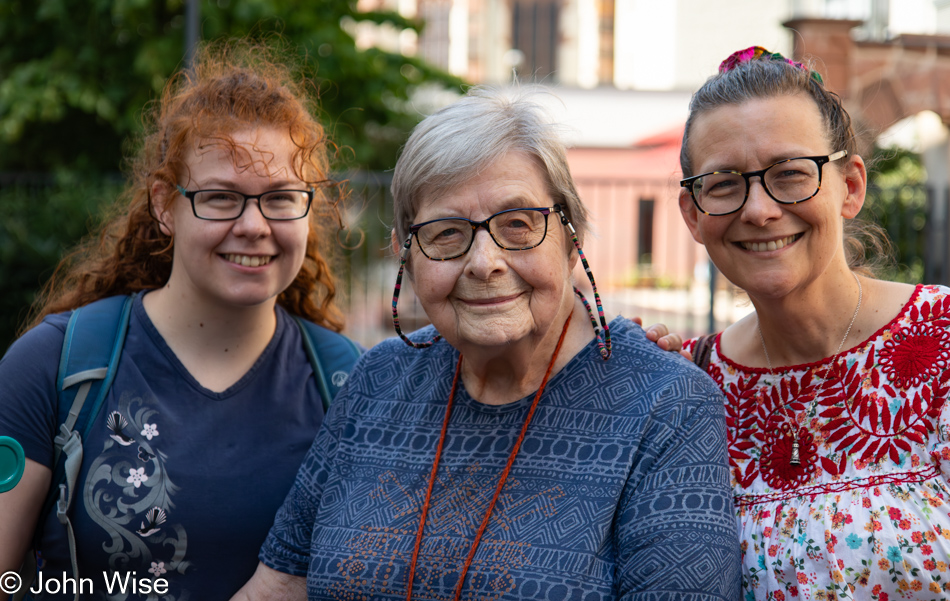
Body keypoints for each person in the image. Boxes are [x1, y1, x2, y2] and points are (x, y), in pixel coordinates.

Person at [232, 86, 741, 601]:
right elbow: (280, 584)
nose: (484, 261)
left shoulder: (665, 405)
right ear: (405, 254)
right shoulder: (379, 379)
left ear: (573, 237)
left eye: (518, 225)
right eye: (446, 233)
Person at [0, 42, 359, 600]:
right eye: (220, 198)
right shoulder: (53, 367)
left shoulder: (351, 384)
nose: (254, 225)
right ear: (165, 205)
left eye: (282, 198)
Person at [678, 46, 950, 600]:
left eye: (790, 173)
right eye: (725, 183)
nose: (759, 210)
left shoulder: (942, 339)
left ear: (849, 187)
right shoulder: (687, 388)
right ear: (693, 214)